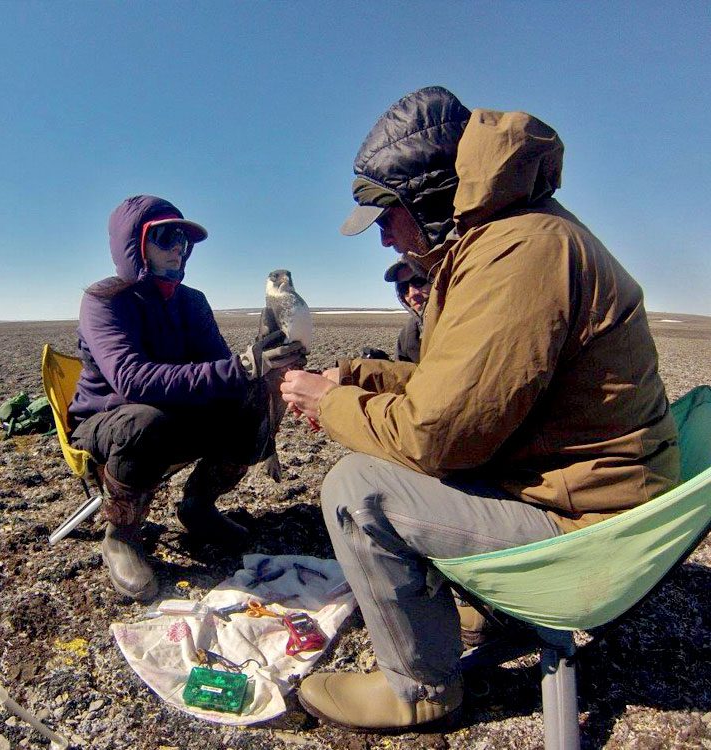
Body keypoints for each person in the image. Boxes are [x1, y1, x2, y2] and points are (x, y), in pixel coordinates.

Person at [281, 86, 680, 732]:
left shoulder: (518, 253)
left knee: (360, 488)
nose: (383, 238)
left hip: (594, 536)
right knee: (405, 462)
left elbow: (439, 433)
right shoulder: (510, 237)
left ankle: (419, 688)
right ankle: (491, 610)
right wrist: (353, 374)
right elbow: (459, 383)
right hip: (597, 501)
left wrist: (331, 403)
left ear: (432, 198)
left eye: (387, 215)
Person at [69, 195, 305, 602]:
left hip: (174, 415)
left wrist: (268, 369)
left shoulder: (191, 301)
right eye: (164, 236)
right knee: (144, 420)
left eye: (183, 238)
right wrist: (244, 366)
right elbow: (133, 380)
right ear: (133, 245)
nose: (178, 246)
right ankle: (122, 534)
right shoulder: (104, 301)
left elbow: (221, 369)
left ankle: (198, 506)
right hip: (109, 422)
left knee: (254, 399)